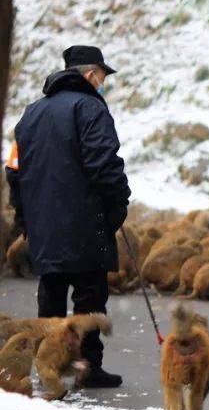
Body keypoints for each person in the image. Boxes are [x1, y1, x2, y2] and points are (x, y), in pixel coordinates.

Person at [4, 45, 130, 387]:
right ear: (91, 75)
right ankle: (88, 366)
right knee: (90, 298)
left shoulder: (30, 114)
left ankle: (51, 365)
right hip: (86, 223)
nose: (103, 84)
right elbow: (103, 162)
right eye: (103, 77)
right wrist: (120, 200)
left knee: (52, 296)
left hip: (43, 225)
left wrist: (24, 219)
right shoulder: (91, 108)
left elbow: (14, 170)